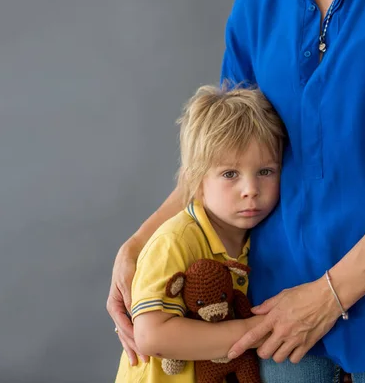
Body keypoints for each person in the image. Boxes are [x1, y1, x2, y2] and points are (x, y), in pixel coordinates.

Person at [108, 0, 365, 382]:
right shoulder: (258, 2)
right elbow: (223, 161)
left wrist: (327, 297)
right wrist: (137, 246)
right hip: (276, 312)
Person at [115, 85, 286, 382]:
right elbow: (151, 335)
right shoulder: (175, 241)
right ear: (196, 180)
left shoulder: (255, 238)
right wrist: (252, 331)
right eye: (230, 174)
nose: (251, 191)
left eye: (266, 171)